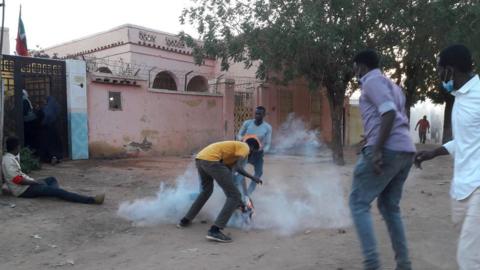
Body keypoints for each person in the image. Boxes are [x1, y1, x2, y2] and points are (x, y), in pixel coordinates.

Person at [415, 44, 480, 270]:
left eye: (439, 70)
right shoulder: (460, 97)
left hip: (478, 187)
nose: (438, 75)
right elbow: (464, 140)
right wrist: (433, 153)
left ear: (450, 70)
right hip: (461, 187)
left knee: (469, 258)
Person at [350, 49, 416, 270]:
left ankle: (372, 264)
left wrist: (376, 149)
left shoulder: (371, 82)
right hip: (405, 150)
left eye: (355, 67)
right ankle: (404, 264)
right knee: (389, 207)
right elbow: (392, 118)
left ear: (360, 66)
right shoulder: (393, 86)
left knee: (358, 203)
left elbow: (388, 114)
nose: (355, 72)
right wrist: (369, 138)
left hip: (386, 150)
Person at [177, 139, 263, 243]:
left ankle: (185, 220)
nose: (251, 155)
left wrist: (242, 202)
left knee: (206, 191)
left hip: (200, 159)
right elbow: (239, 168)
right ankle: (215, 231)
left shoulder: (232, 153)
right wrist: (253, 177)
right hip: (212, 160)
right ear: (252, 148)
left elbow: (234, 177)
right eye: (253, 152)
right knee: (234, 196)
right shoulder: (245, 147)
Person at [2, 137, 105, 204]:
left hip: (27, 186)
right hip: (23, 190)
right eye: (19, 146)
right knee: (58, 191)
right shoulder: (8, 160)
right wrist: (35, 182)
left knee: (52, 179)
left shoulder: (12, 156)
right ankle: (91, 200)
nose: (20, 148)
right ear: (16, 147)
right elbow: (17, 180)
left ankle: (51, 191)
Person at [235, 106, 272, 197]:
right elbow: (239, 135)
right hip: (245, 151)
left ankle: (249, 193)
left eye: (259, 114)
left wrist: (263, 150)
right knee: (239, 169)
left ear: (264, 115)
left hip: (257, 154)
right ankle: (237, 190)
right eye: (256, 113)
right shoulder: (247, 123)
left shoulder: (267, 127)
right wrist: (242, 140)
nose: (257, 115)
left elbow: (267, 143)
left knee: (259, 172)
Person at [38, 96, 63, 164]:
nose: (44, 102)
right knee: (55, 144)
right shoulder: (56, 106)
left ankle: (49, 158)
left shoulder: (46, 109)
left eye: (45, 100)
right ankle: (55, 157)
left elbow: (44, 119)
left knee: (47, 144)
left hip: (47, 129)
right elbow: (58, 115)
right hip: (54, 128)